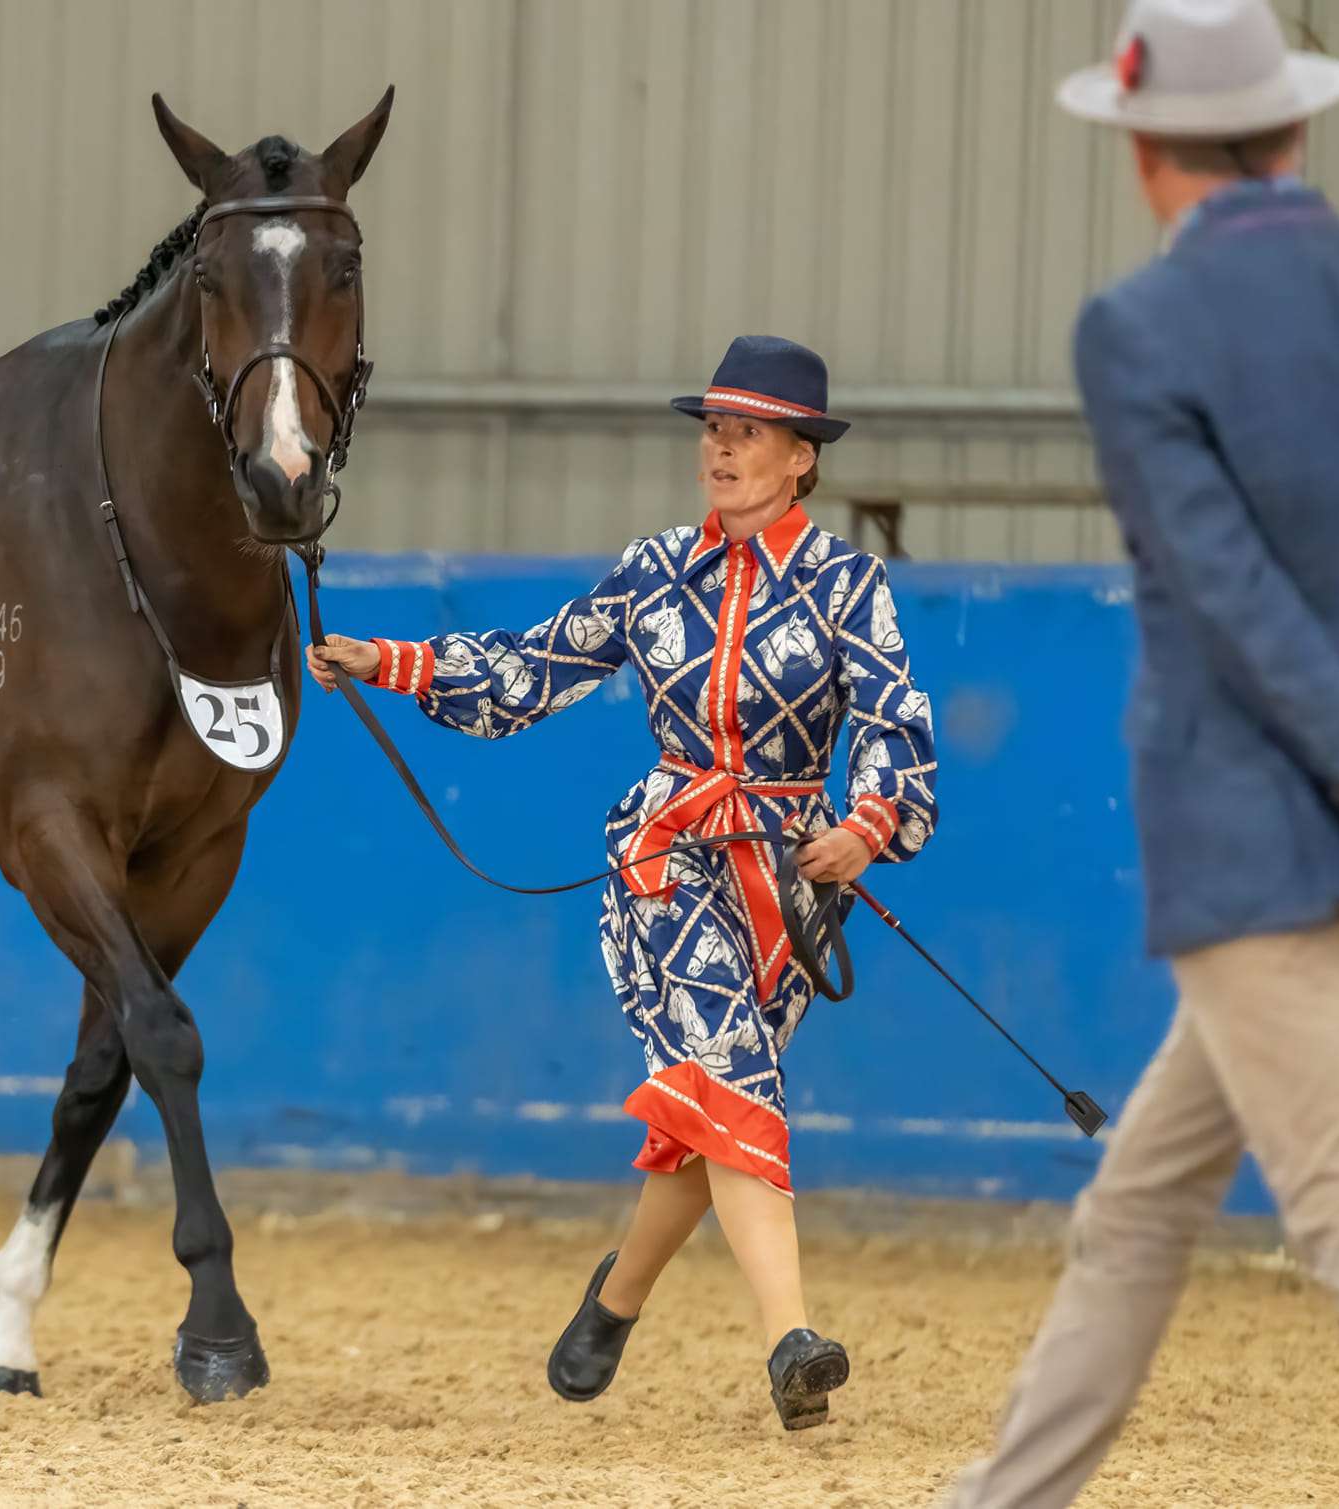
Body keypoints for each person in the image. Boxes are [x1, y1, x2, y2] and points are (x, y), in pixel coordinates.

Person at [947, 1, 1339, 1503]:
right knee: (1142, 1204)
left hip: (1256, 853)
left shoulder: (1139, 329)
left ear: (1146, 155)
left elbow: (1232, 599)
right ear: (1296, 126)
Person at [310, 336, 941, 1429]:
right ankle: (790, 1340)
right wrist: (393, 662)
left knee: (709, 1115)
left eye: (747, 432)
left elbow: (894, 719)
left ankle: (614, 1297)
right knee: (735, 1077)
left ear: (800, 457)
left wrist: (866, 827)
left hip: (789, 879)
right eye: (713, 429)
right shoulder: (652, 569)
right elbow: (534, 663)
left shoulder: (849, 584)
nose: (722, 447)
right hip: (663, 856)